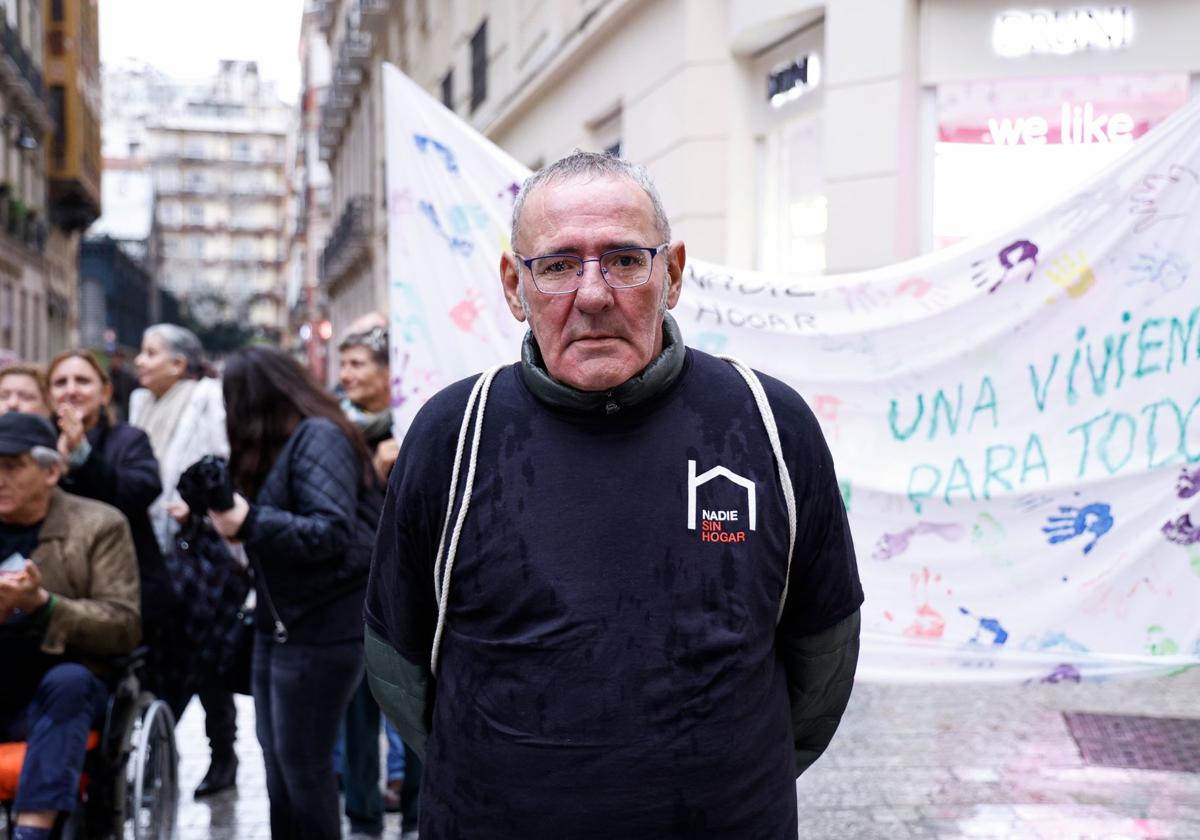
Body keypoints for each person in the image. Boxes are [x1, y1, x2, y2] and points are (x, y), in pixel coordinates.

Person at [364, 151, 864, 838]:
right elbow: (397, 661)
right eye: (559, 265)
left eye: (625, 260)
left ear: (674, 274)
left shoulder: (768, 425)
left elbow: (823, 658)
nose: (594, 294)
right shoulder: (453, 436)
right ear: (515, 285)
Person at [205, 346, 382, 840]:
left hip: (322, 627)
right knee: (280, 764)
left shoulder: (319, 436)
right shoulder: (287, 445)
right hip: (281, 623)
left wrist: (250, 521)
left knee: (303, 768)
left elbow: (329, 532)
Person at [0, 413, 140, 840]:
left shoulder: (100, 524)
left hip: (64, 688)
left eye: (12, 467)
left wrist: (44, 605)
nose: (0, 479)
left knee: (69, 682)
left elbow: (123, 624)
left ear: (52, 471)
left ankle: (33, 831)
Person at [128, 323, 239, 798]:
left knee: (209, 653)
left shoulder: (206, 396)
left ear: (179, 363)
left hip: (199, 549)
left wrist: (198, 504)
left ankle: (222, 754)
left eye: (151, 353)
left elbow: (224, 460)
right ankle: (156, 750)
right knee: (162, 654)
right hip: (151, 549)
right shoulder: (139, 404)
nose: (139, 360)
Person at [46, 352, 179, 706]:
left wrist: (82, 457)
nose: (71, 391)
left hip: (126, 592)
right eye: (61, 383)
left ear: (104, 392)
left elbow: (135, 491)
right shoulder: (35, 445)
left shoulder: (129, 440)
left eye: (82, 381)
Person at [334, 324, 418, 838]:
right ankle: (362, 816)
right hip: (352, 587)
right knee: (356, 710)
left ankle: (415, 813)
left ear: (390, 373)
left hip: (409, 584)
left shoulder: (415, 424)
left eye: (357, 365)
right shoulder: (333, 430)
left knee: (411, 703)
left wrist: (402, 461)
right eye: (343, 366)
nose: (346, 376)